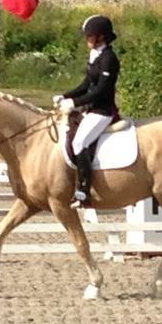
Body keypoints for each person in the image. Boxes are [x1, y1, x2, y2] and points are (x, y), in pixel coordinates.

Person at [53, 15, 121, 208]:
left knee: (79, 143)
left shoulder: (109, 59)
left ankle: (83, 192)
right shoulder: (95, 55)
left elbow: (101, 90)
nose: (86, 39)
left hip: (102, 111)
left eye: (90, 36)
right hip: (90, 109)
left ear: (101, 37)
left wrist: (75, 103)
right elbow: (86, 84)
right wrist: (65, 96)